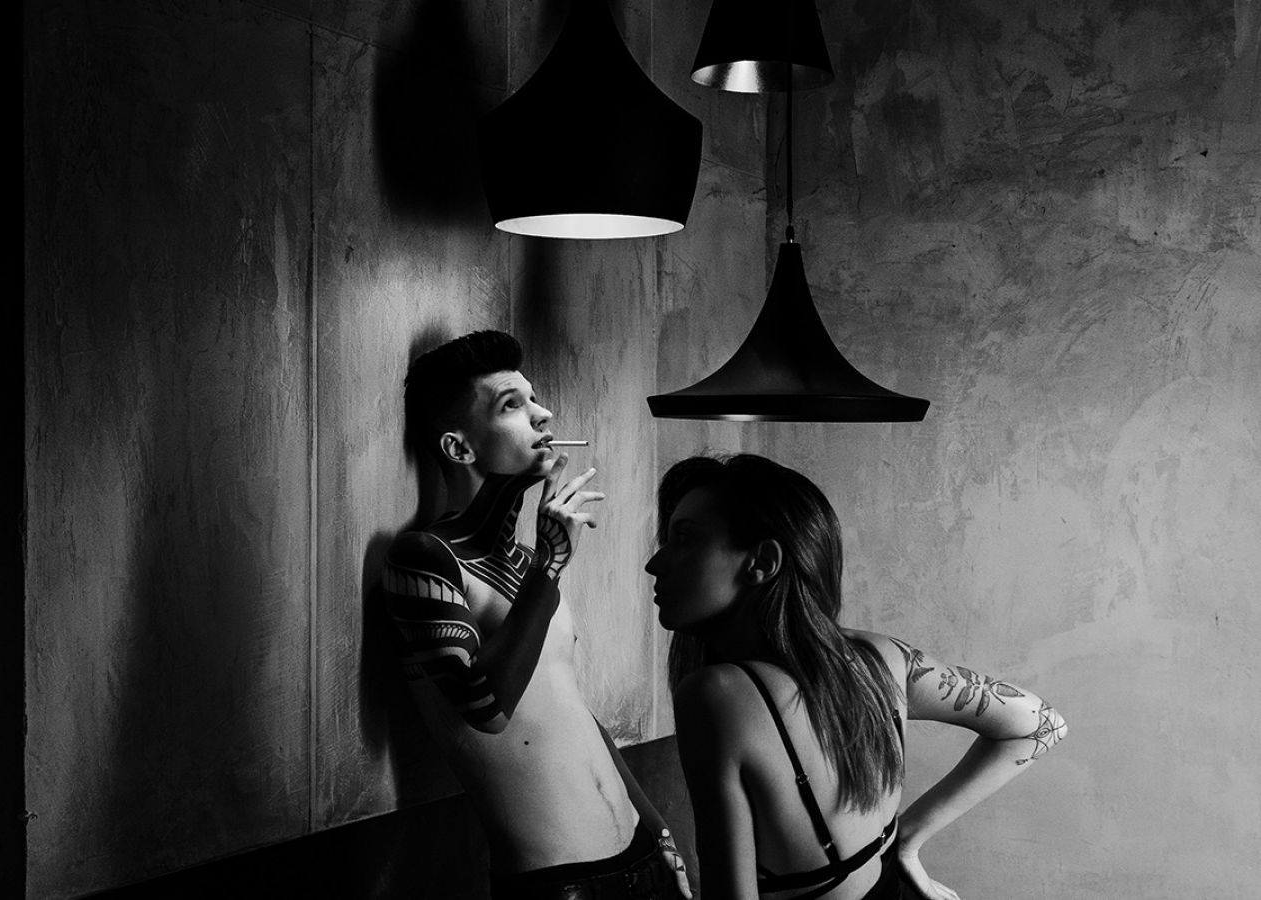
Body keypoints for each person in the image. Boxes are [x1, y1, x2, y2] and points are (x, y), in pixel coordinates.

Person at [645, 454, 1068, 900]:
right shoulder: (882, 658)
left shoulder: (715, 696)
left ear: (762, 561)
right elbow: (1042, 723)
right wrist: (907, 839)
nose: (655, 563)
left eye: (684, 539)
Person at [384, 330, 691, 900]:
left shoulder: (530, 563)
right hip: (559, 884)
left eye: (535, 398)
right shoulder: (424, 558)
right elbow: (486, 708)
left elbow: (571, 710)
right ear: (459, 448)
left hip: (645, 856)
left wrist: (661, 832)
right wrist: (550, 565)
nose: (542, 414)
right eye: (512, 404)